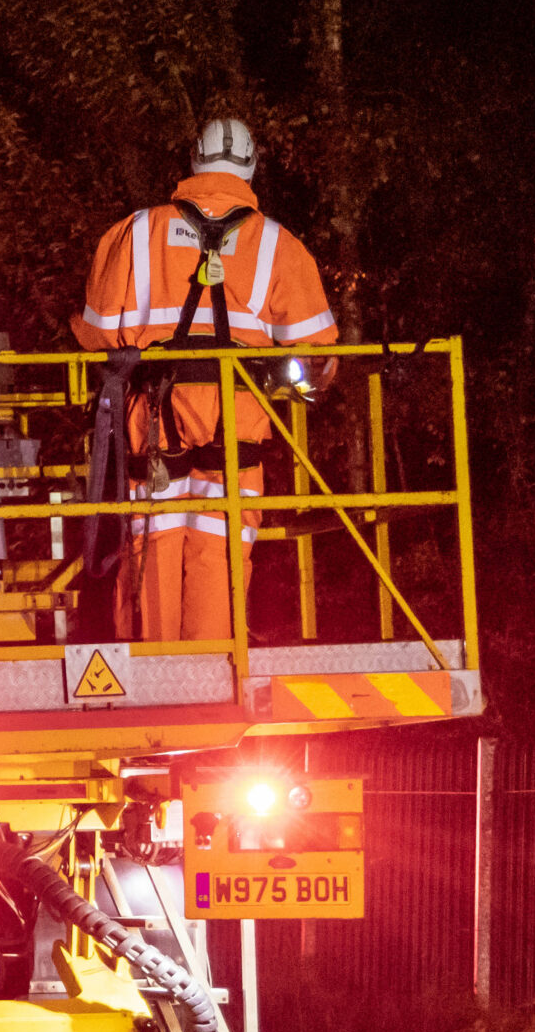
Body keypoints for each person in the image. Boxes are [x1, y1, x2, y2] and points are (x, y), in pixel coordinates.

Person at [73, 117, 339, 640]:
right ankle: (214, 666)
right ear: (254, 167)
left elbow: (97, 333)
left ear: (192, 161)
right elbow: (320, 358)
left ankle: (152, 669)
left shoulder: (137, 231)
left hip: (154, 412)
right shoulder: (278, 245)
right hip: (236, 418)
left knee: (153, 536)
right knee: (220, 540)